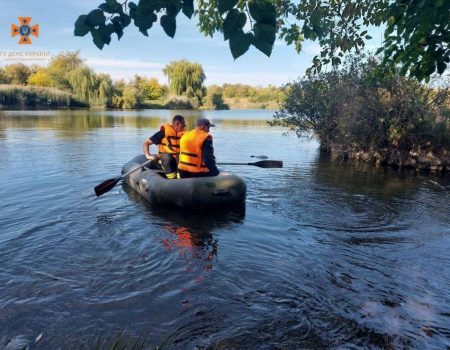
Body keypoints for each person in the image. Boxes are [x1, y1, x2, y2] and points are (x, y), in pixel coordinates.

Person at [143, 115, 186, 179]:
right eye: (182, 126)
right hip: (165, 159)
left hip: (177, 159)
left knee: (182, 156)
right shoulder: (163, 132)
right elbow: (146, 143)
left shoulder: (184, 134)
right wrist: (148, 155)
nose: (183, 127)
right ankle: (171, 180)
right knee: (167, 157)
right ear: (177, 124)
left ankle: (180, 179)